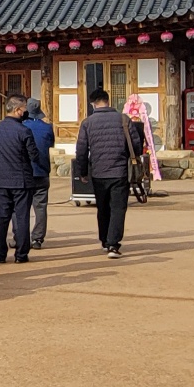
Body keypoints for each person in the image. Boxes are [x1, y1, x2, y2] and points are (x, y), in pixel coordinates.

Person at [75, 89, 144, 259]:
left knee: (103, 208)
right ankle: (113, 244)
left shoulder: (87, 123)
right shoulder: (124, 119)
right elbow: (136, 145)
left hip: (98, 172)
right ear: (108, 101)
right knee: (118, 208)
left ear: (93, 104)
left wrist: (82, 172)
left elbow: (81, 150)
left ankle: (105, 240)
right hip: (120, 171)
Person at [0, 95, 39, 263]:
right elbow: (34, 155)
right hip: (21, 179)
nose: (26, 112)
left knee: (3, 216)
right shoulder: (24, 131)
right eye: (25, 109)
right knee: (22, 217)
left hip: (2, 179)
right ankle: (21, 254)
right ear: (18, 110)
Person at [23, 99, 55, 249]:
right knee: (40, 207)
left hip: (24, 172)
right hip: (42, 171)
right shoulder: (47, 128)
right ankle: (37, 238)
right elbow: (50, 144)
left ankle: (20, 237)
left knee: (21, 207)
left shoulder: (22, 126)